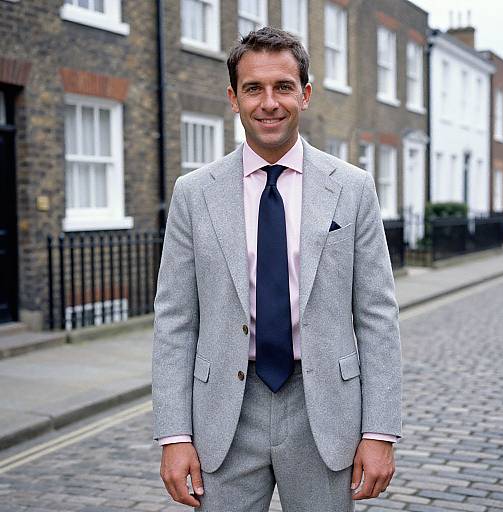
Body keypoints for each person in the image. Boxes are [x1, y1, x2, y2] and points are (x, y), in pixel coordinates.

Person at [152, 26, 401, 512]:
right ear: (233, 97)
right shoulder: (194, 193)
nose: (269, 102)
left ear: (304, 94)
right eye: (254, 88)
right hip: (223, 412)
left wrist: (380, 431)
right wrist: (174, 434)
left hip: (324, 408)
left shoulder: (352, 189)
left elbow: (377, 315)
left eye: (283, 87)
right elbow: (175, 320)